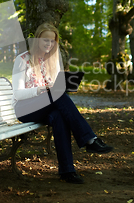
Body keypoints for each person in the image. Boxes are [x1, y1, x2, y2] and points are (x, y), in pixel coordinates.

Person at [11, 22, 113, 184]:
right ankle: (90, 140)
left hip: (45, 106)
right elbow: (17, 94)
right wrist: (40, 90)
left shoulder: (51, 61)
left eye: (52, 41)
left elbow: (54, 89)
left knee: (59, 115)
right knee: (57, 96)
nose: (49, 44)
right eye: (46, 40)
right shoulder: (22, 60)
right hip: (23, 108)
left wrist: (61, 86)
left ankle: (67, 171)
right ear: (37, 39)